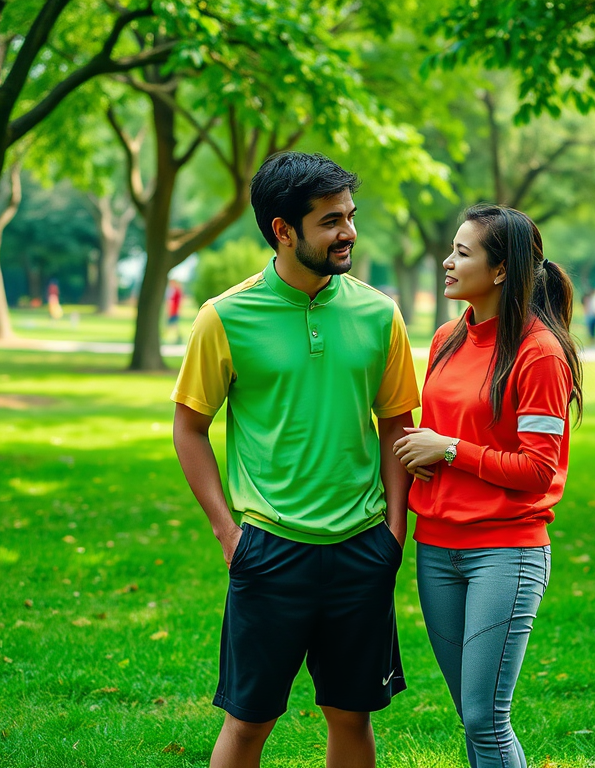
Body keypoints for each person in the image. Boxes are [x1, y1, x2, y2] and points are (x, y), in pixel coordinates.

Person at [171, 152, 420, 768]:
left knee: (351, 715)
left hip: (361, 547)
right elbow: (189, 428)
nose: (349, 233)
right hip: (270, 549)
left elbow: (396, 425)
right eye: (331, 220)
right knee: (249, 721)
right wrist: (227, 531)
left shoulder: (379, 312)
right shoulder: (224, 317)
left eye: (350, 216)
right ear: (283, 229)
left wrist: (394, 530)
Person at [393, 204, 582, 768]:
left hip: (505, 551)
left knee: (485, 717)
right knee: (472, 714)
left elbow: (536, 469)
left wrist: (448, 450)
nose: (448, 262)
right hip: (438, 548)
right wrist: (427, 454)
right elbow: (442, 428)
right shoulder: (447, 337)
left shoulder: (540, 352)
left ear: (500, 271)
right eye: (451, 249)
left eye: (462, 253)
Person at [166, 278, 184, 343]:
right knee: (173, 325)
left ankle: (179, 338)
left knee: (173, 325)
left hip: (174, 310)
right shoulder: (174, 290)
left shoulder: (176, 291)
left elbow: (175, 301)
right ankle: (178, 338)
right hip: (173, 310)